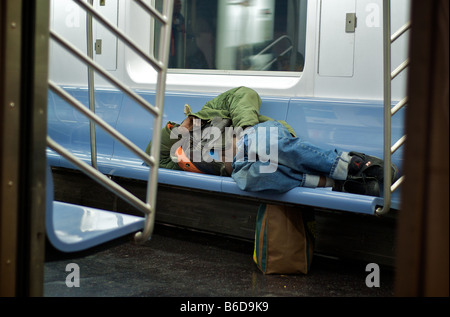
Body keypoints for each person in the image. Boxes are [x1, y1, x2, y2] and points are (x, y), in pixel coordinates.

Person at [145, 86, 398, 196]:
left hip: (258, 135)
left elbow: (244, 94)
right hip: (240, 167)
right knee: (252, 177)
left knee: (264, 146)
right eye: (178, 133)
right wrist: (180, 132)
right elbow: (151, 156)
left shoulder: (211, 110)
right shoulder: (185, 157)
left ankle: (349, 165)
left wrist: (243, 130)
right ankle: (340, 184)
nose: (185, 131)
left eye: (185, 125)